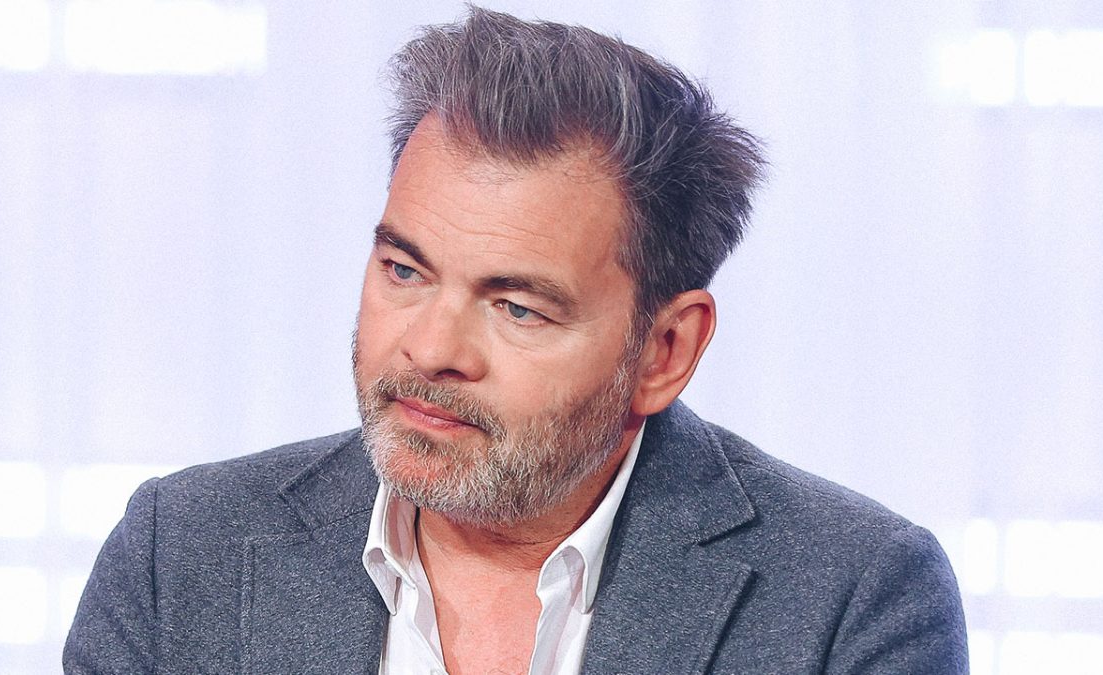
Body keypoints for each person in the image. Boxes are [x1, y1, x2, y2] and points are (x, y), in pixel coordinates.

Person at [65, 7, 967, 674]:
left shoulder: (853, 598)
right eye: (405, 270)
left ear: (665, 351)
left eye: (517, 308)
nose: (430, 348)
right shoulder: (182, 551)